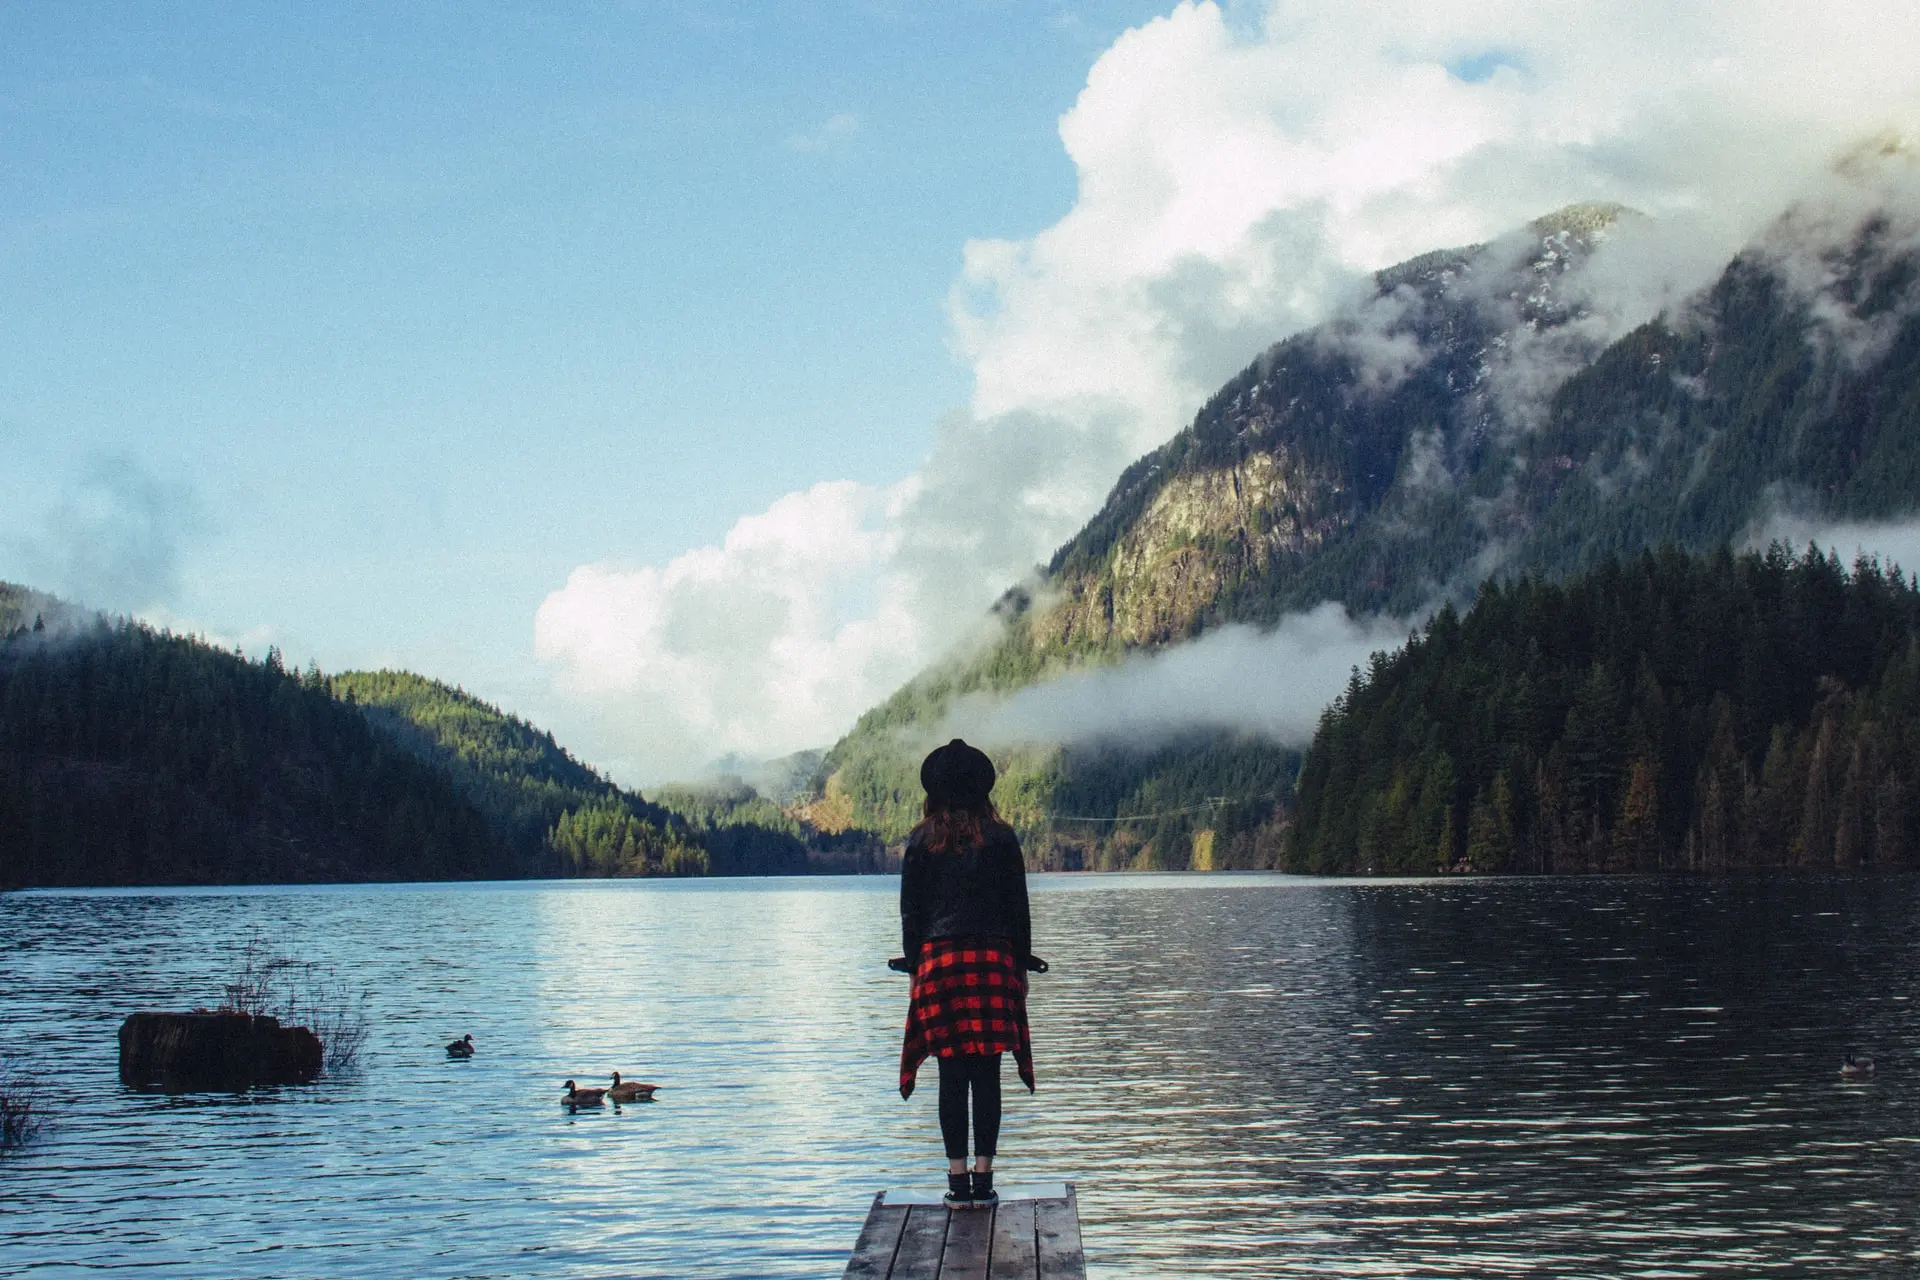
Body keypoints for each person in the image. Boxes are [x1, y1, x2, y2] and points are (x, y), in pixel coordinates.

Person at [898, 738, 1035, 1210]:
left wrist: (916, 970)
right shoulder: (1001, 837)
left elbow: (910, 915)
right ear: (983, 787)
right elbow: (1019, 910)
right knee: (988, 1074)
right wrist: (1021, 965)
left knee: (951, 1074)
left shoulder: (920, 839)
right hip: (993, 962)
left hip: (939, 965)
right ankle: (985, 1178)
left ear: (933, 789)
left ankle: (956, 1183)